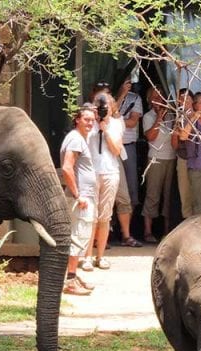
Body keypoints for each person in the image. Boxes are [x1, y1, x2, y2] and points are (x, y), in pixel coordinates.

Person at [85, 91, 131, 271]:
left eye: (108, 107)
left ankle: (100, 256)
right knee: (90, 217)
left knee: (105, 216)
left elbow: (117, 150)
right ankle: (87, 257)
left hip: (110, 172)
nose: (105, 111)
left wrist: (105, 129)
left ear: (112, 108)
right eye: (101, 108)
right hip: (91, 173)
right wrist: (94, 123)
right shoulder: (88, 123)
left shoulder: (116, 124)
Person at [59, 105, 98, 295]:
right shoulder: (75, 139)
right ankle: (70, 281)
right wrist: (78, 195)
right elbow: (67, 168)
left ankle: (73, 275)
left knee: (80, 237)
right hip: (80, 198)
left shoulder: (80, 139)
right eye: (86, 119)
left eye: (92, 119)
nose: (90, 123)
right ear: (77, 120)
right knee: (77, 237)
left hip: (85, 196)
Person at [141, 86, 176, 242]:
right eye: (154, 97)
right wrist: (158, 118)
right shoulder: (148, 116)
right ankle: (147, 231)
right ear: (149, 100)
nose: (158, 100)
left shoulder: (173, 116)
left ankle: (167, 232)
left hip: (171, 158)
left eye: (160, 97)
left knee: (168, 196)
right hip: (155, 158)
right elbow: (150, 136)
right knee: (152, 195)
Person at [116, 76, 144, 212]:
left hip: (128, 146)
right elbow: (107, 116)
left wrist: (115, 120)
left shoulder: (136, 99)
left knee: (131, 184)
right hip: (111, 148)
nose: (128, 85)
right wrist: (121, 95)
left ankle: (129, 223)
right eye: (125, 82)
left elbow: (133, 122)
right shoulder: (110, 98)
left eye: (129, 83)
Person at [171, 88, 195, 219]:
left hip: (198, 161)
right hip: (183, 159)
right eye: (180, 99)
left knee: (199, 194)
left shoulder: (199, 116)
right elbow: (174, 145)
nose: (183, 101)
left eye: (186, 98)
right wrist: (175, 132)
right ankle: (188, 224)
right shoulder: (177, 118)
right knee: (185, 194)